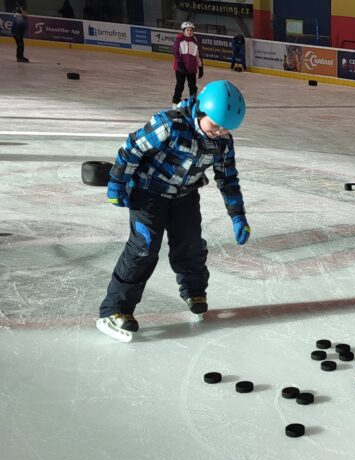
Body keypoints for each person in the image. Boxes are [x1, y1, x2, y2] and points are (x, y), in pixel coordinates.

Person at [96, 80, 251, 342]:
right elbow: (133, 147)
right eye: (215, 126)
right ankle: (115, 309)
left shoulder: (223, 142)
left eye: (226, 129)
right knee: (144, 247)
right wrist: (118, 182)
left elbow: (228, 178)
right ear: (201, 110)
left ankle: (194, 290)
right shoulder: (170, 124)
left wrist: (237, 215)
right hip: (148, 192)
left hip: (184, 195)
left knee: (190, 244)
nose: (220, 133)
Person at [172, 21, 203, 105]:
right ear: (184, 31)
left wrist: (200, 67)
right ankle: (175, 102)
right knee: (180, 85)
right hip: (180, 68)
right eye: (187, 30)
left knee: (193, 87)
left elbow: (198, 56)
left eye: (191, 30)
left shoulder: (195, 43)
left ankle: (193, 102)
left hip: (191, 69)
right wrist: (180, 64)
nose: (189, 32)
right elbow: (175, 52)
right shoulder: (179, 41)